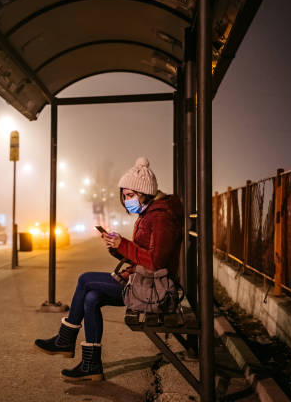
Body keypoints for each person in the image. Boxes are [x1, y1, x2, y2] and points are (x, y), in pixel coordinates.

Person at [34, 157, 183, 381]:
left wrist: (123, 244)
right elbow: (141, 255)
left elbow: (155, 262)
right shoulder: (151, 213)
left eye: (130, 195)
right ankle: (90, 365)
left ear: (145, 193)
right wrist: (116, 247)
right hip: (143, 281)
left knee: (85, 280)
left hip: (154, 289)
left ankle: (65, 339)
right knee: (91, 298)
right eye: (124, 195)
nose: (126, 200)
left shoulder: (160, 217)